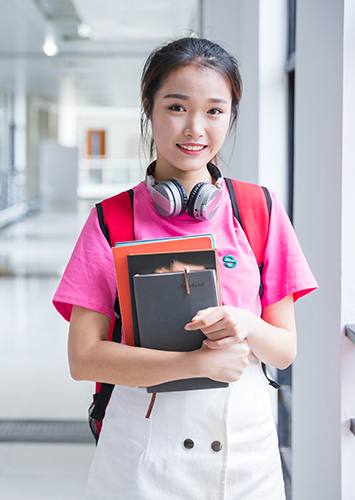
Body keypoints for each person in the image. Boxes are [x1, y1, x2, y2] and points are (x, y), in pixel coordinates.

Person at [52, 37, 317, 499]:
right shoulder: (111, 220)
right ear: (149, 108)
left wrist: (246, 323)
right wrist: (194, 362)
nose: (195, 128)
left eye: (215, 111)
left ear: (231, 115)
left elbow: (285, 350)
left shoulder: (259, 210)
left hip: (244, 452)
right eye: (177, 106)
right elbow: (83, 358)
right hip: (141, 454)